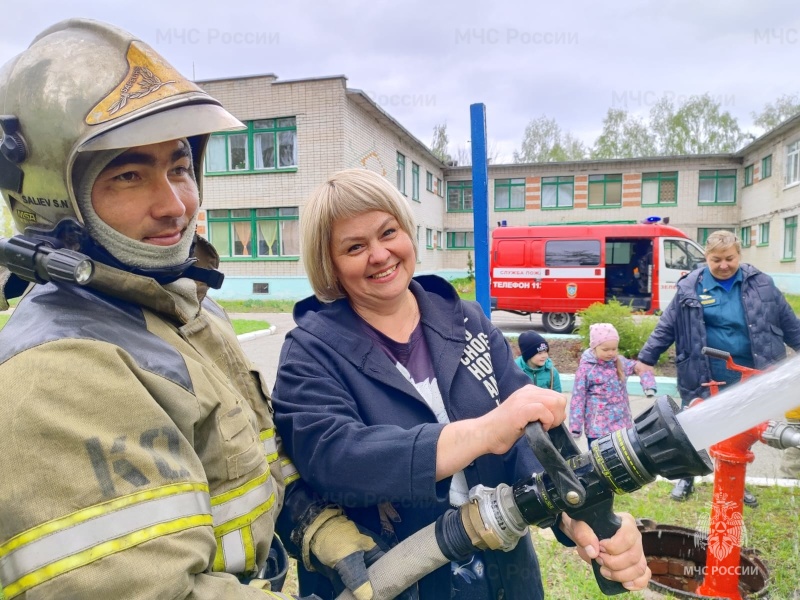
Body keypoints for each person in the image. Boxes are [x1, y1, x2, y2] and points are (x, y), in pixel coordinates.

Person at [0, 19, 376, 599]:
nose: (175, 205)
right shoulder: (56, 373)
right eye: (129, 174)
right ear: (52, 195)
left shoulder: (188, 308)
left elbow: (248, 458)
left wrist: (312, 521)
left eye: (179, 167)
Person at [271, 168, 651, 600]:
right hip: (387, 582)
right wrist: (483, 432)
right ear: (331, 264)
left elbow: (527, 438)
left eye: (388, 232)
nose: (379, 254)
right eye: (355, 246)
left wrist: (574, 514)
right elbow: (336, 458)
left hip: (504, 578)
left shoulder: (467, 321)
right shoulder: (310, 351)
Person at [637, 230, 800, 505]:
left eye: (729, 258)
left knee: (742, 430)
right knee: (693, 426)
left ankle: (736, 480)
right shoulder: (690, 287)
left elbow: (788, 321)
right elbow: (667, 325)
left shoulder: (762, 284)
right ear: (706, 258)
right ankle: (686, 478)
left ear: (739, 255)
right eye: (716, 260)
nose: (723, 265)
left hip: (751, 373)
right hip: (704, 371)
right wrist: (646, 358)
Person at [569, 323, 657, 447]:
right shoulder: (586, 369)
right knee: (600, 461)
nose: (611, 353)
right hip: (598, 428)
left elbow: (640, 368)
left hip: (622, 424)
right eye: (605, 350)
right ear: (594, 347)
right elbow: (578, 399)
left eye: (614, 349)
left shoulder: (619, 362)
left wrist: (649, 385)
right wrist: (575, 427)